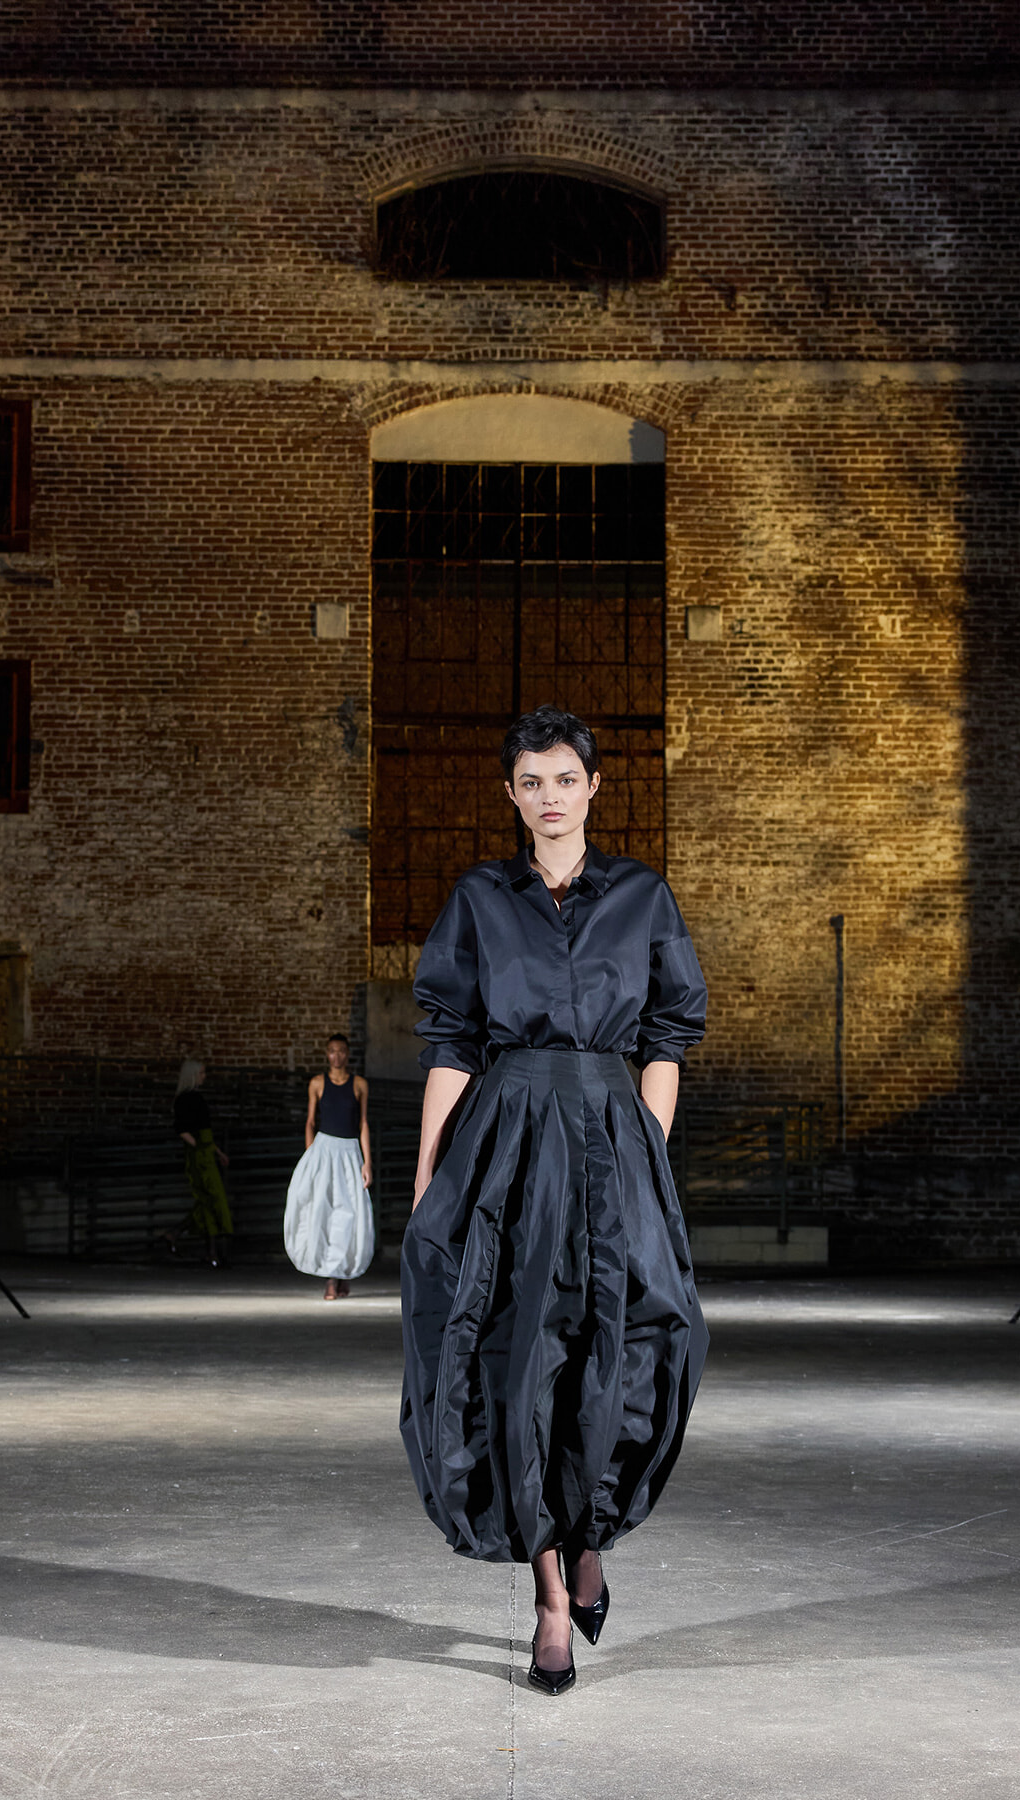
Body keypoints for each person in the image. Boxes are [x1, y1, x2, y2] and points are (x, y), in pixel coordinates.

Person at [400, 705, 708, 1697]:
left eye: (564, 779)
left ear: (593, 787)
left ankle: (593, 1539)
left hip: (614, 1137)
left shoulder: (643, 898)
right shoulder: (481, 899)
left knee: (634, 1344)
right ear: (512, 795)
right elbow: (450, 1043)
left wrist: (645, 1157)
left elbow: (667, 1035)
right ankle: (544, 1604)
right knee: (517, 1359)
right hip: (511, 1141)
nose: (548, 796)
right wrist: (425, 1182)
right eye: (530, 782)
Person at [284, 1034, 374, 1299]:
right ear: (327, 1054)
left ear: (348, 1054)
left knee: (349, 1212)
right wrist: (311, 1155)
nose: (337, 1056)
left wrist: (367, 1161)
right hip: (323, 1150)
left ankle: (343, 1272)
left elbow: (364, 1123)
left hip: (349, 1152)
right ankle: (330, 1279)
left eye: (342, 1051)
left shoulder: (359, 1084)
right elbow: (310, 1122)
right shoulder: (317, 1083)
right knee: (323, 1210)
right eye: (332, 1051)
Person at [169, 1058, 233, 1266]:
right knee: (210, 1200)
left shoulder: (195, 1098)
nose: (204, 1076)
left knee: (210, 1200)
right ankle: (211, 1251)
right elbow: (181, 1128)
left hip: (204, 1151)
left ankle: (177, 1234)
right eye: (202, 1073)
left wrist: (216, 1151)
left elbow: (203, 1131)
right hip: (199, 1154)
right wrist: (197, 1146)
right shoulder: (185, 1099)